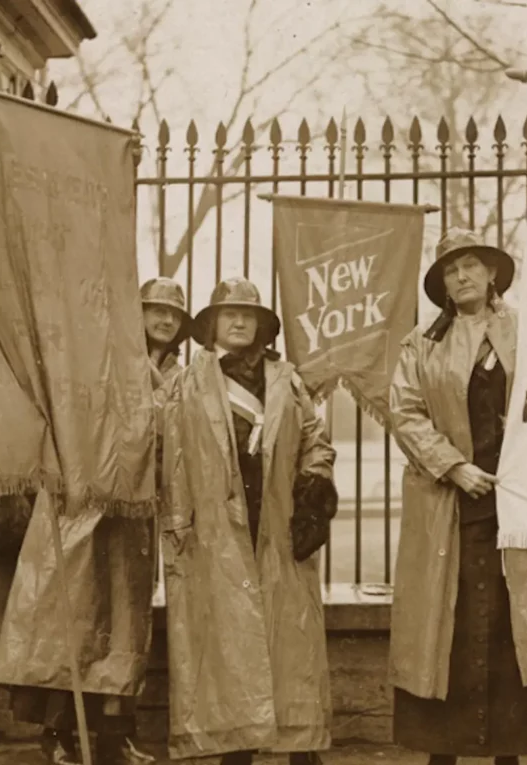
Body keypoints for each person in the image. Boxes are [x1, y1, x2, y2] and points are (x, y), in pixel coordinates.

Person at [388, 228, 527, 765]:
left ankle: (509, 752)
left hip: (517, 506)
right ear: (443, 285)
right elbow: (404, 413)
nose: (462, 276)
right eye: (451, 270)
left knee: (510, 628)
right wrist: (454, 467)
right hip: (450, 506)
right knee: (447, 627)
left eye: (472, 265)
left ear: (493, 274)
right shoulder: (421, 344)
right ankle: (442, 752)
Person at [0, 279, 195, 765]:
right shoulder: (102, 360)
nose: (165, 320)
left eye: (173, 314)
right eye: (155, 310)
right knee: (71, 621)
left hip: (135, 515)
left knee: (124, 628)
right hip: (85, 506)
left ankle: (114, 738)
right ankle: (58, 736)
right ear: (135, 314)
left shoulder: (181, 378)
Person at [159, 277, 338, 765]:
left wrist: (314, 487)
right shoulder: (186, 381)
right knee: (224, 640)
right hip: (214, 527)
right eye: (228, 313)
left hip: (279, 521)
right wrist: (178, 521)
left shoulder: (288, 379)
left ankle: (300, 747)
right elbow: (171, 454)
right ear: (211, 323)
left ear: (262, 324)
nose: (238, 321)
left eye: (248, 314)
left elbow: (315, 440)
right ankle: (233, 747)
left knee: (290, 638)